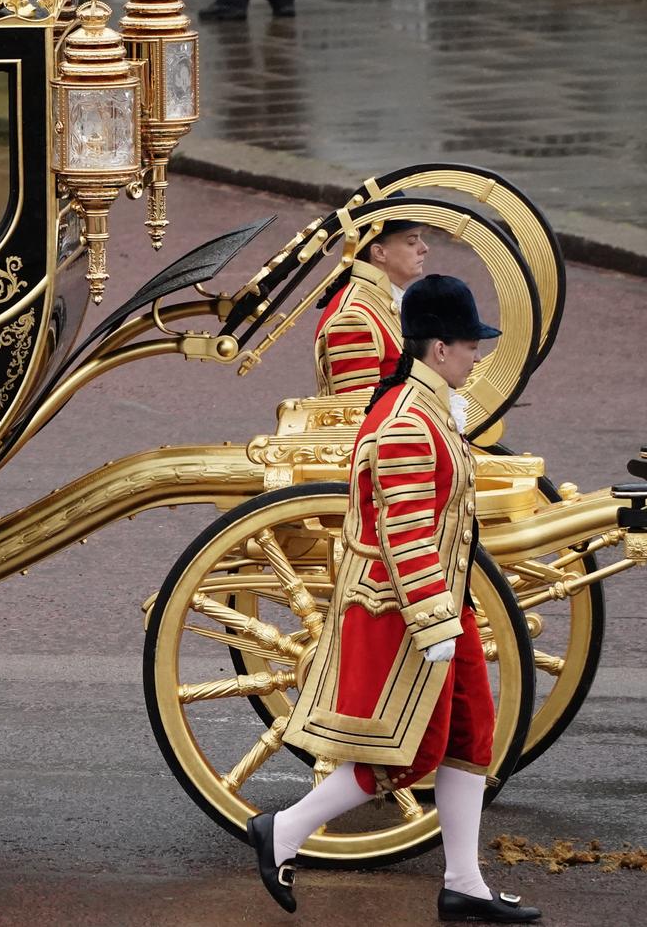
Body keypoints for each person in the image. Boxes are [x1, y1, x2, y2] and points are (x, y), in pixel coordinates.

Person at [265, 276, 540, 925]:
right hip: (410, 613)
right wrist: (434, 619)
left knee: (474, 735)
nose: (477, 356)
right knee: (412, 750)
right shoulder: (408, 421)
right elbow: (405, 530)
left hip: (451, 598)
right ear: (440, 347)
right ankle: (281, 830)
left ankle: (464, 882)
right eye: (471, 344)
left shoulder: (430, 406)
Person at [313, 218, 428, 397]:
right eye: (412, 241)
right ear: (379, 252)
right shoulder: (352, 318)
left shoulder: (383, 297)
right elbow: (358, 414)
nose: (424, 248)